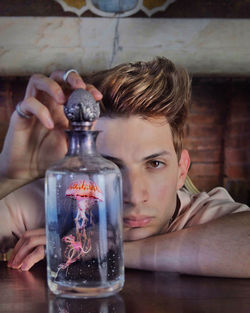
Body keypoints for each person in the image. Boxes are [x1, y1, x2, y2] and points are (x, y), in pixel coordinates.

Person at [0, 57, 249, 277]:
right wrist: (13, 177)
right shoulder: (69, 200)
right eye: (110, 167)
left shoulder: (202, 215)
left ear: (181, 171)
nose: (134, 195)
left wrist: (102, 249)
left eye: (154, 163)